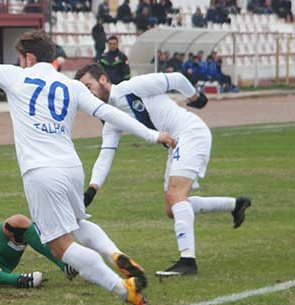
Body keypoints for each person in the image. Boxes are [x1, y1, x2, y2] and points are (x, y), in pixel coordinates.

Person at [0, 30, 179, 305]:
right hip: (72, 168)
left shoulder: (15, 75)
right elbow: (107, 112)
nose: (19, 61)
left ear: (30, 57)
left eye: (20, 57)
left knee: (60, 246)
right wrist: (152, 134)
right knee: (78, 223)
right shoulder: (69, 84)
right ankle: (115, 253)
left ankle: (125, 290)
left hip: (41, 171)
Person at [75, 64, 252, 277]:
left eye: (89, 86)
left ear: (103, 79)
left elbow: (176, 78)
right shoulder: (111, 118)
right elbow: (106, 154)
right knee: (172, 208)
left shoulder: (132, 87)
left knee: (176, 195)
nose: (88, 93)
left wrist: (195, 96)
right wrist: (92, 188)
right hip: (175, 143)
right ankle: (235, 204)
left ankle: (188, 261)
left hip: (190, 133)